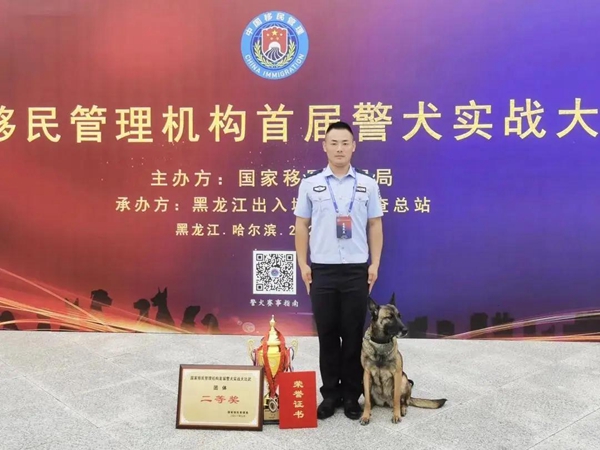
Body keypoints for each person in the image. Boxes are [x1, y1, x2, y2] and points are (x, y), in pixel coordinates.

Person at [294, 121, 384, 420]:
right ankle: (330, 394)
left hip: (356, 270)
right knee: (328, 335)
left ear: (354, 146)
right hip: (323, 270)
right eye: (333, 143)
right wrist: (303, 263)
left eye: (345, 143)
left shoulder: (367, 184)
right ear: (324, 146)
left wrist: (374, 263)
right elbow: (301, 225)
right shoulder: (310, 184)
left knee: (353, 335)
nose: (339, 149)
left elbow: (375, 224)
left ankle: (352, 396)